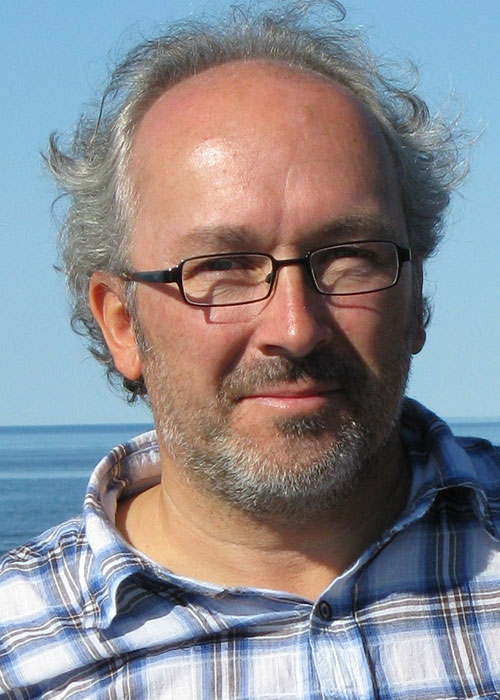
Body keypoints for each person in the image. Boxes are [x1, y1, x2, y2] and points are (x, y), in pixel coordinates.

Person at [1, 1, 499, 697]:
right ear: (121, 323)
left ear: (415, 297)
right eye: (223, 267)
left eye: (349, 256)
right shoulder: (23, 661)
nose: (294, 328)